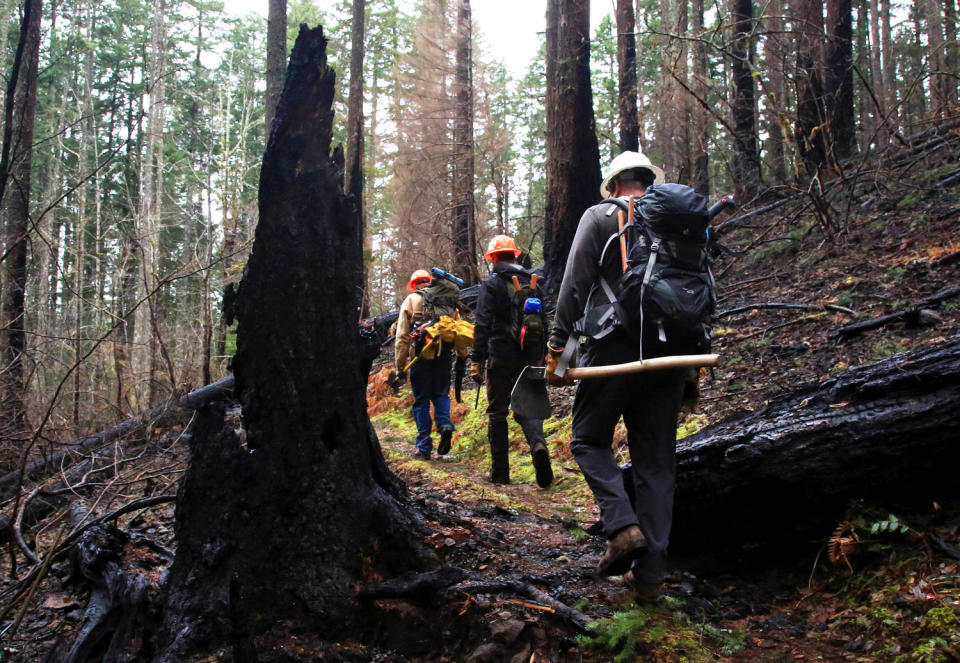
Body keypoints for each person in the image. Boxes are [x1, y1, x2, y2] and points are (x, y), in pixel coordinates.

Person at [545, 150, 683, 602]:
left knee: (587, 438)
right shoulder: (676, 221)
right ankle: (651, 578)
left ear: (614, 184)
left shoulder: (601, 215)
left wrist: (557, 346)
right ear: (649, 180)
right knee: (656, 463)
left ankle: (622, 527)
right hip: (673, 354)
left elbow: (574, 284)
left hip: (613, 346)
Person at [471, 235, 553, 488]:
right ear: (515, 255)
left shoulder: (492, 285)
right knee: (528, 408)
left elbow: (482, 322)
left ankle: (500, 474)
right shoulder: (534, 283)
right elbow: (545, 321)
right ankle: (538, 445)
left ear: (493, 258)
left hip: (500, 355)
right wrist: (543, 353)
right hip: (531, 356)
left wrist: (477, 359)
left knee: (497, 411)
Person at [395, 269, 455, 459]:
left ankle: (423, 448)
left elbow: (402, 336)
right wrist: (463, 355)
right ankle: (445, 425)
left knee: (421, 400)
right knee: (441, 395)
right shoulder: (446, 300)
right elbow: (456, 328)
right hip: (444, 355)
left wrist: (400, 365)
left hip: (419, 358)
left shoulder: (412, 300)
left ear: (414, 285)